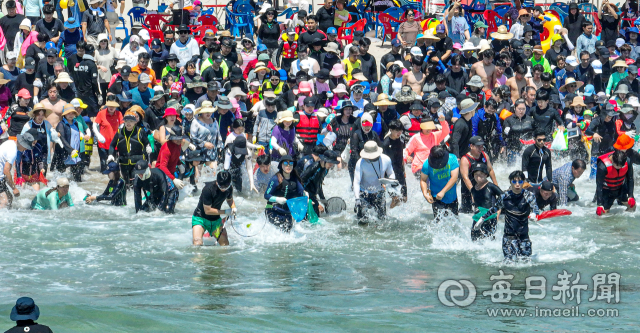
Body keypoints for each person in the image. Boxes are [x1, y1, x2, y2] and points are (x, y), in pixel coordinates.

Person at [476, 170, 541, 262]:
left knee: (526, 263)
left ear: (523, 182)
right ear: (510, 182)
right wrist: (482, 219)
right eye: (514, 182)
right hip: (509, 237)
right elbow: (494, 209)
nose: (517, 184)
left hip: (523, 237)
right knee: (508, 263)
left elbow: (535, 209)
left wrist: (534, 214)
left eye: (520, 181)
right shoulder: (504, 196)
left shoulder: (529, 196)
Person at [353, 141, 395, 224]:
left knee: (382, 220)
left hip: (379, 192)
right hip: (364, 193)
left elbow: (391, 173)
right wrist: (357, 198)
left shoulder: (386, 159)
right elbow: (356, 182)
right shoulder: (360, 163)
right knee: (363, 221)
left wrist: (390, 182)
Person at [192, 170, 236, 246]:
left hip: (215, 220)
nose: (223, 189)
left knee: (225, 244)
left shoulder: (229, 188)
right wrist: (225, 212)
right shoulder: (208, 189)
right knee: (197, 243)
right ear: (217, 182)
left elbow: (229, 199)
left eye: (226, 187)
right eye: (221, 187)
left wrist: (233, 207)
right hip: (200, 218)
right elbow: (207, 211)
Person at [264, 155, 305, 232]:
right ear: (281, 165)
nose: (288, 166)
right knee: (281, 230)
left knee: (288, 231)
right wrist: (277, 199)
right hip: (273, 210)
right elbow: (266, 195)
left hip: (287, 212)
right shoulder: (276, 179)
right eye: (286, 163)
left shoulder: (295, 179)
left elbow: (301, 192)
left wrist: (306, 195)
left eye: (291, 163)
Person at [107, 110, 150, 185]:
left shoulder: (140, 131)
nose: (128, 123)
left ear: (135, 122)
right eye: (126, 121)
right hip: (124, 163)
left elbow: (147, 143)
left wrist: (148, 147)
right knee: (126, 183)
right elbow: (112, 145)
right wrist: (111, 154)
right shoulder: (119, 132)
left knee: (135, 183)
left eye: (131, 121)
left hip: (137, 163)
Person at [459, 136, 498, 213]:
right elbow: (465, 177)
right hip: (468, 190)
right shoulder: (465, 159)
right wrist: (473, 193)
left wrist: (496, 185)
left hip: (482, 188)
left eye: (482, 146)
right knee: (467, 213)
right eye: (478, 146)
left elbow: (490, 170)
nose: (481, 148)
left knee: (485, 211)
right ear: (471, 146)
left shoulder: (484, 155)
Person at [421, 144, 460, 218]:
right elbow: (423, 180)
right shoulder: (427, 164)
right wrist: (425, 194)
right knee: (439, 223)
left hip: (452, 197)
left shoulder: (452, 158)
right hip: (437, 198)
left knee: (454, 222)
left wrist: (443, 192)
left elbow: (454, 177)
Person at [0, 131, 36, 208]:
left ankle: (8, 218)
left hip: (1, 177)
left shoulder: (10, 142)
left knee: (9, 198)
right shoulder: (13, 151)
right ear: (21, 143)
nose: (26, 149)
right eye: (26, 146)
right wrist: (14, 188)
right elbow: (6, 171)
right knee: (4, 201)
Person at [595, 148, 635, 216]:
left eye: (621, 166)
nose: (619, 168)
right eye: (617, 166)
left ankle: (622, 221)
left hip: (620, 188)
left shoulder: (627, 161)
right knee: (602, 214)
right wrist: (600, 204)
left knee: (633, 207)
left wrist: (630, 196)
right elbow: (599, 185)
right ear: (612, 160)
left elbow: (630, 179)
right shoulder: (602, 166)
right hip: (607, 191)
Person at [469, 163, 502, 240]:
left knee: (489, 240)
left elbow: (504, 197)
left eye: (480, 174)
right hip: (477, 217)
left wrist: (497, 212)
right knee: (474, 240)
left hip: (489, 217)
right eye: (476, 174)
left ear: (486, 175)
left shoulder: (491, 186)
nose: (478, 176)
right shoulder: (473, 189)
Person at [301, 150, 339, 215]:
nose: (331, 164)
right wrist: (309, 199)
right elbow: (300, 182)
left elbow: (319, 184)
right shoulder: (313, 167)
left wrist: (322, 199)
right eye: (330, 162)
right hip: (304, 195)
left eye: (333, 163)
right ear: (324, 160)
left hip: (312, 195)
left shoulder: (325, 169)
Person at [382, 120, 407, 207]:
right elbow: (383, 161)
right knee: (395, 198)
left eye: (400, 130)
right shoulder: (386, 143)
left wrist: (404, 170)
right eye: (397, 131)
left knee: (404, 198)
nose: (399, 133)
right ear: (391, 130)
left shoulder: (401, 139)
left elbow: (401, 155)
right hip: (390, 172)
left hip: (399, 169)